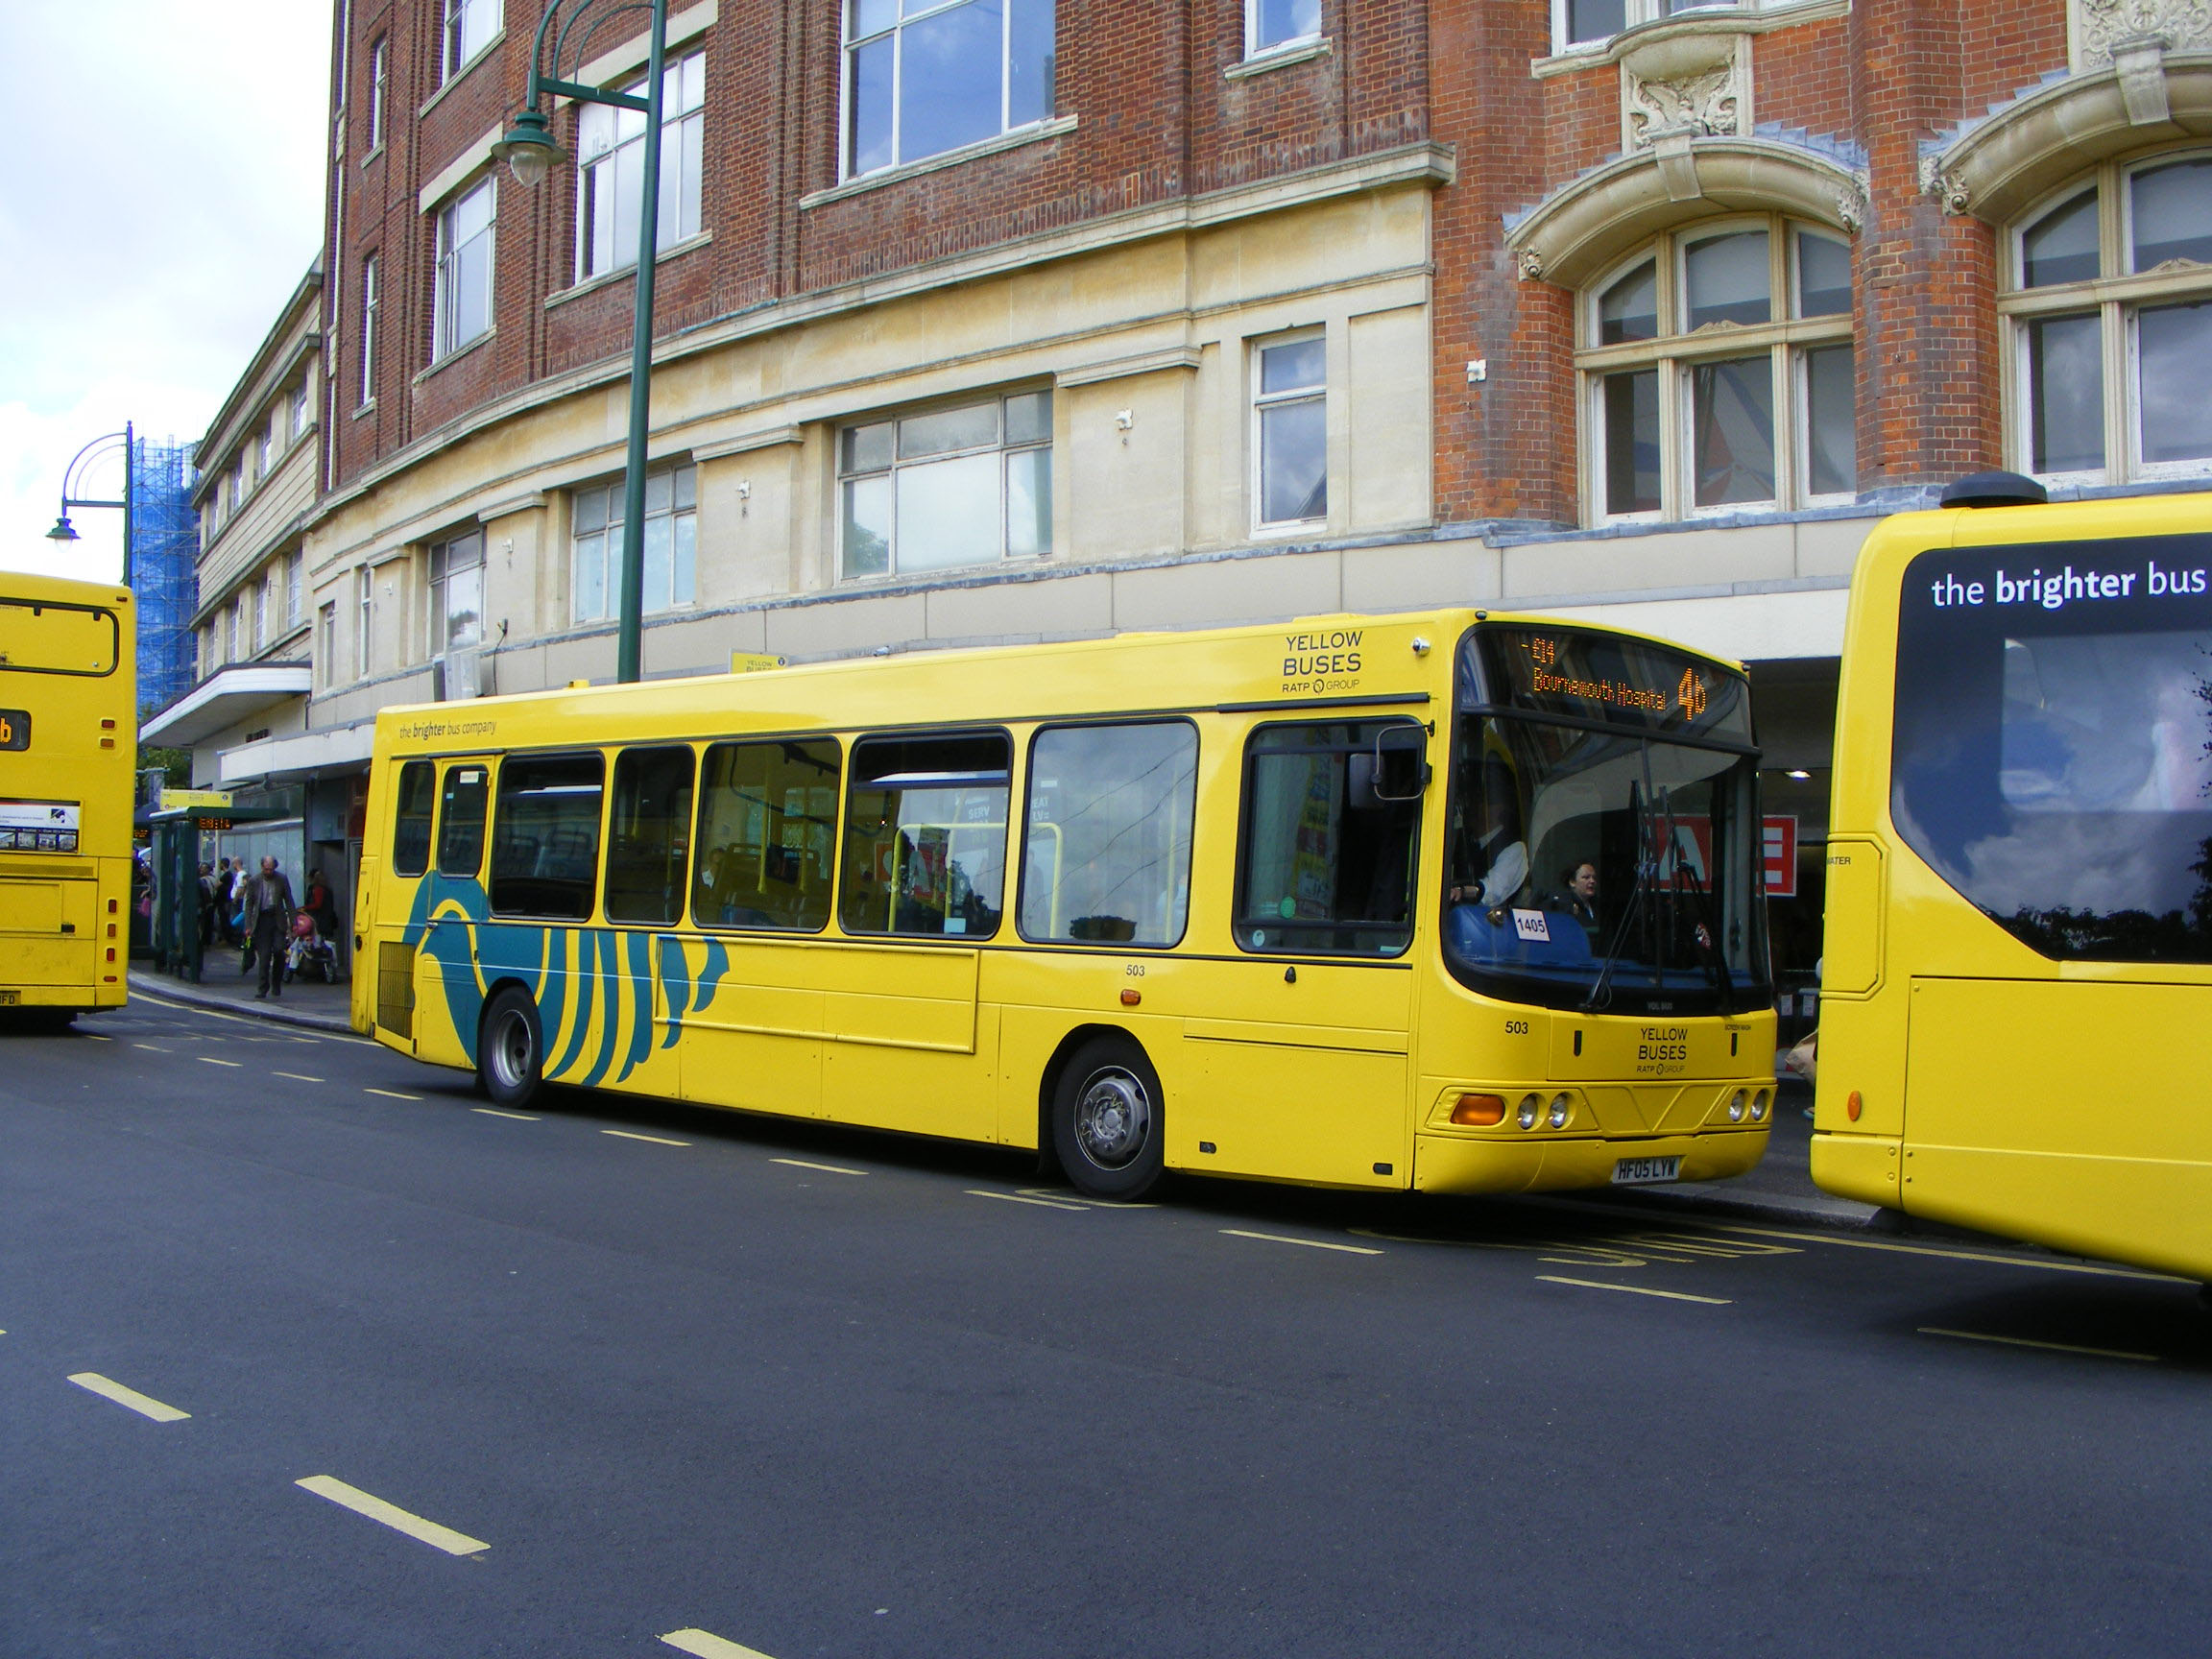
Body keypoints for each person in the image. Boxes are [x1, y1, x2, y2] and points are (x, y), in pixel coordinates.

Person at [1449, 759, 1527, 909]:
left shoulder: (1515, 849)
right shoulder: (1463, 842)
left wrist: (1462, 891)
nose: (1471, 808)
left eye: (1480, 801)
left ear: (1499, 809)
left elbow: (1493, 892)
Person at [242, 855, 297, 999]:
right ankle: (262, 988)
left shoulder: (282, 879)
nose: (269, 872)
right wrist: (248, 925)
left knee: (279, 951)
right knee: (264, 956)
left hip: (277, 919)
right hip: (261, 921)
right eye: (266, 869)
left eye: (271, 869)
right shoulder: (254, 881)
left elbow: (289, 901)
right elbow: (249, 904)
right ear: (262, 867)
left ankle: (276, 983)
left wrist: (294, 922)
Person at [1562, 861, 1599, 932]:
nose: (1592, 881)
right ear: (1572, 882)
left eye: (1594, 878)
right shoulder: (1565, 907)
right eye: (1586, 877)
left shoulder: (1598, 905)